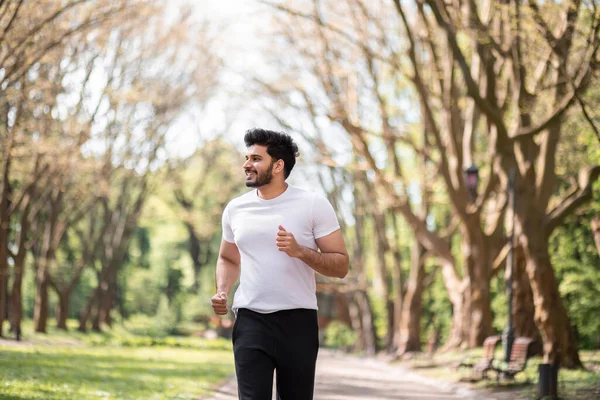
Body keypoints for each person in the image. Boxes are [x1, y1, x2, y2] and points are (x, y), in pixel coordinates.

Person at [211, 128, 349, 400]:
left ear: (278, 165)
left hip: (298, 321)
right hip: (250, 318)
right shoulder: (236, 209)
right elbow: (228, 257)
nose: (246, 164)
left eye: (255, 158)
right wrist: (223, 290)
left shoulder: (312, 205)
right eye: (246, 157)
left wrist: (301, 252)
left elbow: (341, 266)